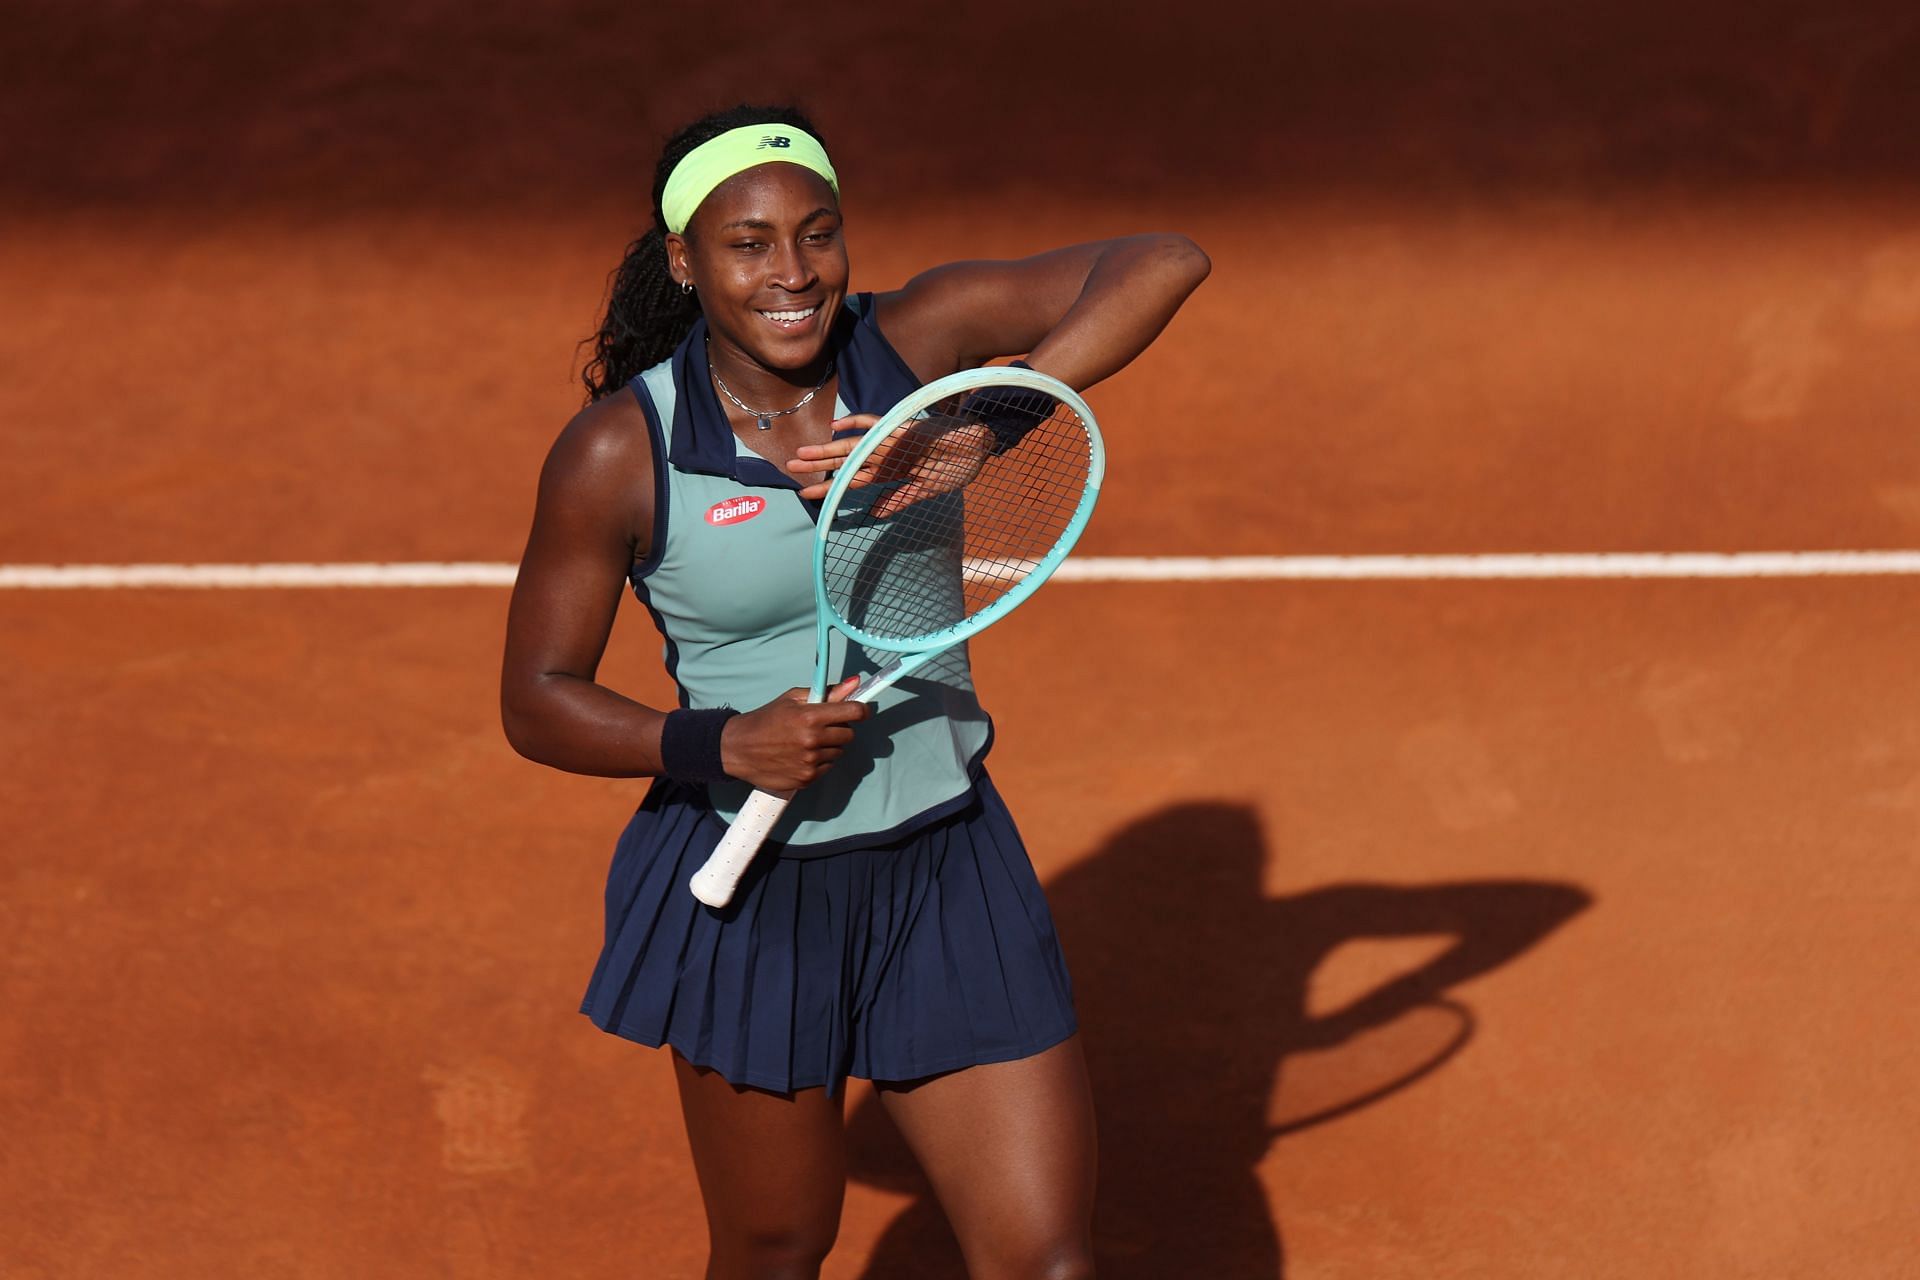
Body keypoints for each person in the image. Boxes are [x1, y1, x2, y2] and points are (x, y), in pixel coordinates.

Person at [500, 103, 1209, 1280]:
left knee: (1048, 1260)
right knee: (778, 1247)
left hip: (949, 862)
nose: (793, 272)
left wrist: (988, 417)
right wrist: (720, 742)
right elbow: (537, 697)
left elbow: (1162, 261)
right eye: (749, 243)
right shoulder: (620, 453)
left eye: (817, 235)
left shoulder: (911, 348)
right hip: (754, 891)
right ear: (685, 261)